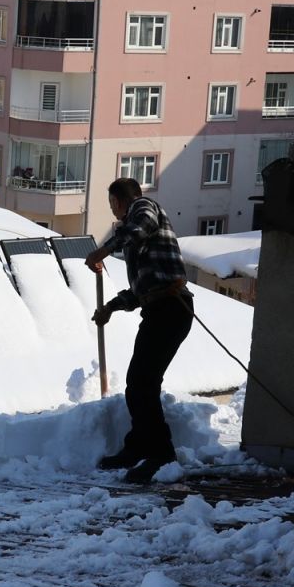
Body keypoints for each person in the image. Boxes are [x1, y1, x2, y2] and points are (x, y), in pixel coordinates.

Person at [85, 178, 194, 482]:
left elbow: (138, 227)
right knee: (139, 383)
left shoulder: (144, 208)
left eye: (112, 205)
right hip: (159, 308)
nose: (114, 212)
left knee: (143, 382)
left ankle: (161, 455)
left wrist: (103, 251)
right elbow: (142, 290)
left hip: (172, 309)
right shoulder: (139, 243)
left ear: (120, 201)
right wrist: (111, 307)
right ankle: (139, 447)